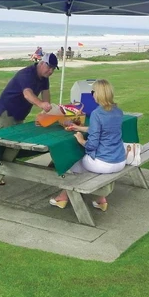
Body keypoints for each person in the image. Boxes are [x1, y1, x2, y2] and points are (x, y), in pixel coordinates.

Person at [49, 79, 126, 212]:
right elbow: (105, 130)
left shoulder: (97, 113)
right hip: (120, 160)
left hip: (104, 163)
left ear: (97, 94)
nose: (92, 95)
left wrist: (81, 140)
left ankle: (63, 197)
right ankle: (101, 200)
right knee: (85, 164)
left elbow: (92, 145)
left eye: (92, 92)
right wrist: (80, 128)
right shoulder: (118, 111)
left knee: (72, 162)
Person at [0, 52, 59, 130]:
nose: (51, 71)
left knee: (18, 136)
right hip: (7, 112)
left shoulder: (44, 77)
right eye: (49, 67)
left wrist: (46, 110)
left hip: (20, 114)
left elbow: (46, 93)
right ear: (41, 63)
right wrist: (41, 104)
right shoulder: (27, 74)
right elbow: (27, 93)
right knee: (1, 137)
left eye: (53, 68)